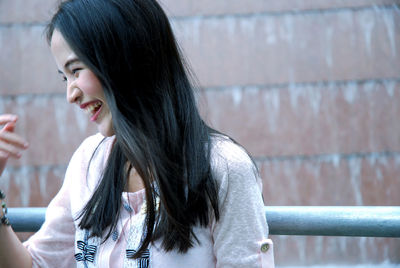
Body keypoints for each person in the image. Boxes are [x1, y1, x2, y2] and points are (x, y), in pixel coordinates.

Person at [0, 0, 274, 267]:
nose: (71, 94)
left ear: (124, 59)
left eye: (76, 70)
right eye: (64, 77)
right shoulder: (89, 162)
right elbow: (33, 264)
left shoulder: (224, 169)